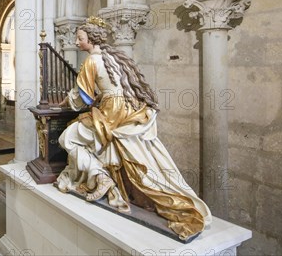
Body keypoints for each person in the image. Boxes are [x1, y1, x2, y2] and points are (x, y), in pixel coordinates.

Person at [55, 16, 212, 241]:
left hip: (110, 112)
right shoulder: (115, 57)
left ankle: (101, 176)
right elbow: (113, 86)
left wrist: (63, 103)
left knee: (67, 138)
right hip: (128, 108)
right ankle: (110, 180)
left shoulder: (91, 61)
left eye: (80, 38)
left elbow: (82, 97)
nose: (77, 42)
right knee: (112, 146)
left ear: (91, 39)